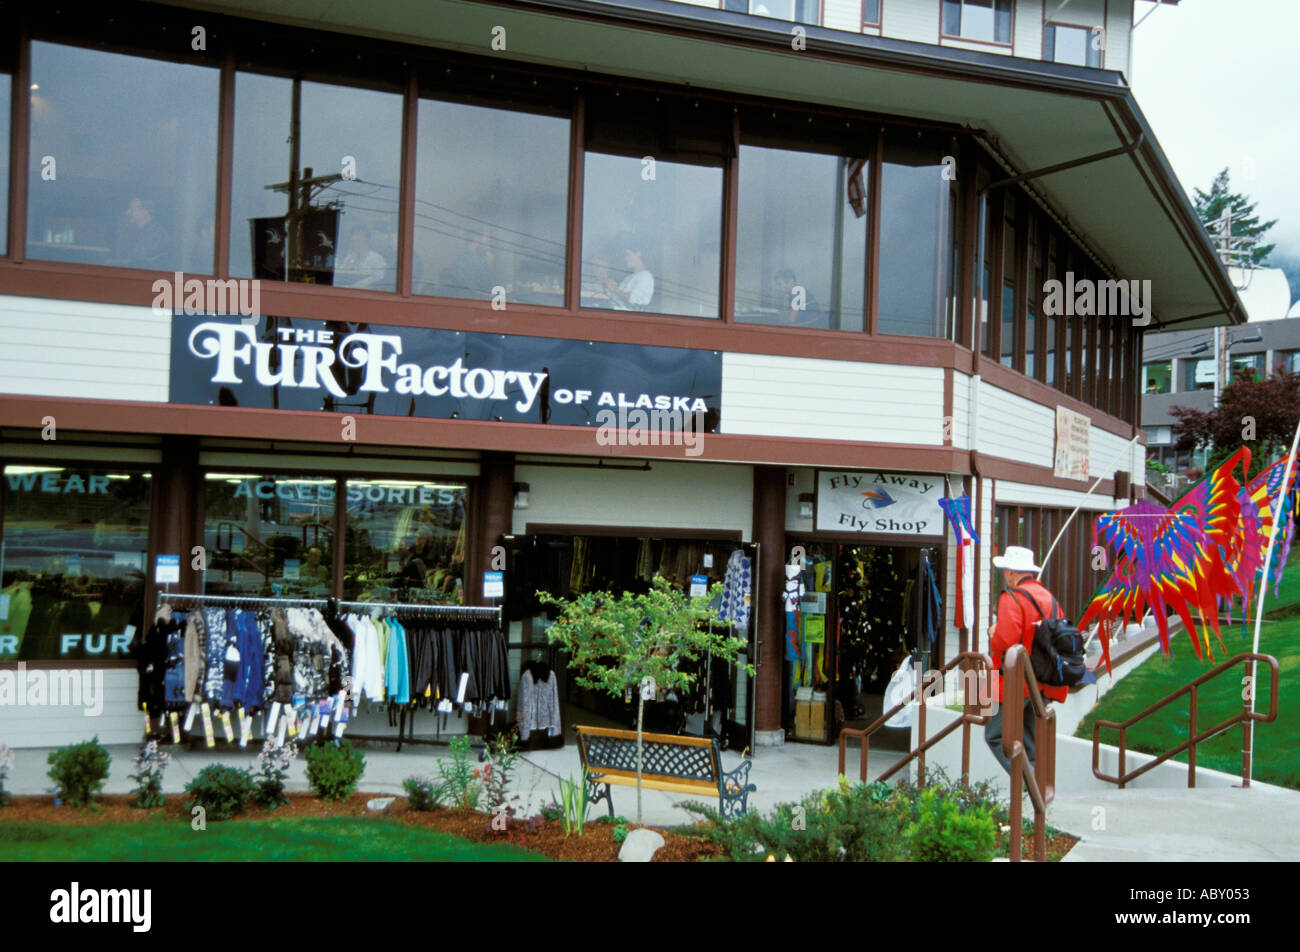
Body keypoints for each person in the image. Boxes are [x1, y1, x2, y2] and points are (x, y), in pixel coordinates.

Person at [984, 545, 1068, 773]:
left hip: (1015, 681)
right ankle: (1037, 792)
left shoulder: (1011, 597)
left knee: (995, 735)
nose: (1005, 576)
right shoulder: (1050, 599)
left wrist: (993, 634)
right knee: (1030, 741)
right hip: (1042, 681)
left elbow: (1006, 640)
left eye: (1005, 571)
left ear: (1012, 572)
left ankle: (1025, 785)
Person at [112, 197, 169, 269]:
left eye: (131, 209)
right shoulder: (141, 232)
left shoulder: (157, 235)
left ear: (145, 211)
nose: (127, 212)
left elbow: (139, 262)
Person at [442, 231, 498, 297]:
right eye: (479, 242)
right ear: (473, 243)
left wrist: (489, 265)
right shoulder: (464, 261)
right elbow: (470, 287)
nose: (486, 246)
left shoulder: (480, 260)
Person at [600, 243, 654, 311]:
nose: (625, 258)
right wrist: (608, 284)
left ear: (638, 254)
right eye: (624, 256)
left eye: (628, 254)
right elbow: (616, 297)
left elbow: (631, 299)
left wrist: (613, 288)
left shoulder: (646, 276)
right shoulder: (628, 278)